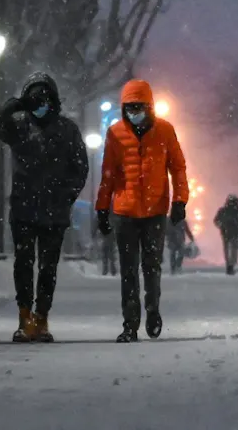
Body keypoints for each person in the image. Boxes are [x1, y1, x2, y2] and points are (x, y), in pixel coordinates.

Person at [0, 71, 89, 344]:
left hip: (55, 211)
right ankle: (24, 316)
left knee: (48, 268)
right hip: (24, 209)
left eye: (44, 98)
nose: (40, 104)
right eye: (34, 99)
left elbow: (80, 169)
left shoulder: (67, 130)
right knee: (24, 264)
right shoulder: (19, 127)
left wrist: (65, 196)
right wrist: (15, 105)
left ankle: (41, 317)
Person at [96, 79, 188, 343]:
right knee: (128, 270)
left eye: (138, 107)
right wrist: (102, 208)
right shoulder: (115, 134)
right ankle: (130, 323)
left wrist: (180, 201)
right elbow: (108, 174)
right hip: (125, 212)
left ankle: (152, 309)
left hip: (154, 211)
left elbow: (178, 167)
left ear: (149, 107)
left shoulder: (165, 131)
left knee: (151, 266)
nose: (133, 112)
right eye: (129, 107)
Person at [214, 195, 238, 275]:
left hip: (226, 233)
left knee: (228, 250)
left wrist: (221, 226)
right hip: (234, 233)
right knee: (234, 250)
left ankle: (229, 264)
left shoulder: (223, 211)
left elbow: (216, 220)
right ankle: (231, 264)